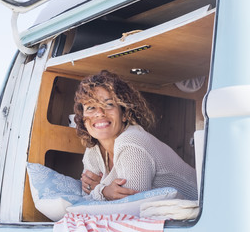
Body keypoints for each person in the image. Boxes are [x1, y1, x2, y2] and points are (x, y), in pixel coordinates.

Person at [74, 70, 198, 201]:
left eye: (109, 104)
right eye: (91, 108)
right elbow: (86, 197)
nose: (99, 113)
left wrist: (102, 191)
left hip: (206, 210)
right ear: (82, 118)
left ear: (125, 114)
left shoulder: (132, 140)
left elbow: (133, 204)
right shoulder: (93, 149)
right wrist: (103, 191)